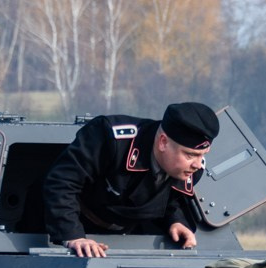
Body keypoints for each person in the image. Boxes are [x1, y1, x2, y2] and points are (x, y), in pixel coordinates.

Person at [43, 101, 217, 257]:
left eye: (202, 155)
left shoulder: (191, 169)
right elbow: (62, 183)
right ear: (163, 142)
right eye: (190, 155)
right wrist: (73, 236)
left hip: (123, 234)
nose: (197, 164)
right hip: (60, 221)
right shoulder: (110, 138)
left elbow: (168, 199)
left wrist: (175, 221)